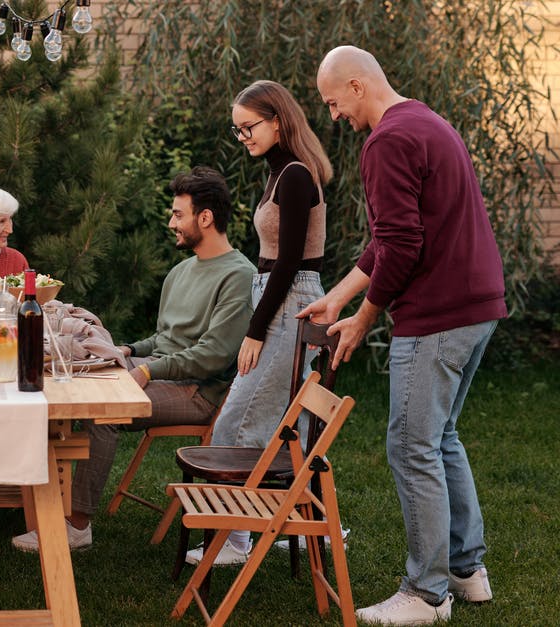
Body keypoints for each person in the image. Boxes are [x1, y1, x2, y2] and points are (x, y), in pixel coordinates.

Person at [306, 45, 505, 626]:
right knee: (440, 438)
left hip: (438, 315)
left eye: (333, 101)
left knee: (411, 446)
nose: (333, 115)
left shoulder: (387, 140)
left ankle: (426, 593)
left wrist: (365, 317)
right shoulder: (426, 120)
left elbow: (403, 244)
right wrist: (339, 296)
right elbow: (392, 236)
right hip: (477, 306)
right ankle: (467, 572)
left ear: (358, 85)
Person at [11, 166, 255, 552]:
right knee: (63, 383)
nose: (171, 222)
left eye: (178, 214)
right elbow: (166, 338)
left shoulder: (239, 276)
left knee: (102, 413)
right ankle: (23, 496)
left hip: (198, 392)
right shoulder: (181, 271)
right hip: (161, 373)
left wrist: (146, 370)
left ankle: (76, 526)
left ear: (205, 218)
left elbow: (213, 355)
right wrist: (127, 350)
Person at [185, 80, 334, 567]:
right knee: (265, 417)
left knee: (237, 418)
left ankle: (233, 538)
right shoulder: (279, 172)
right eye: (238, 130)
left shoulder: (293, 175)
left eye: (248, 127)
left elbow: (289, 261)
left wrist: (255, 330)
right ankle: (292, 525)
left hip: (288, 301)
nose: (244, 136)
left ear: (277, 120)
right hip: (278, 296)